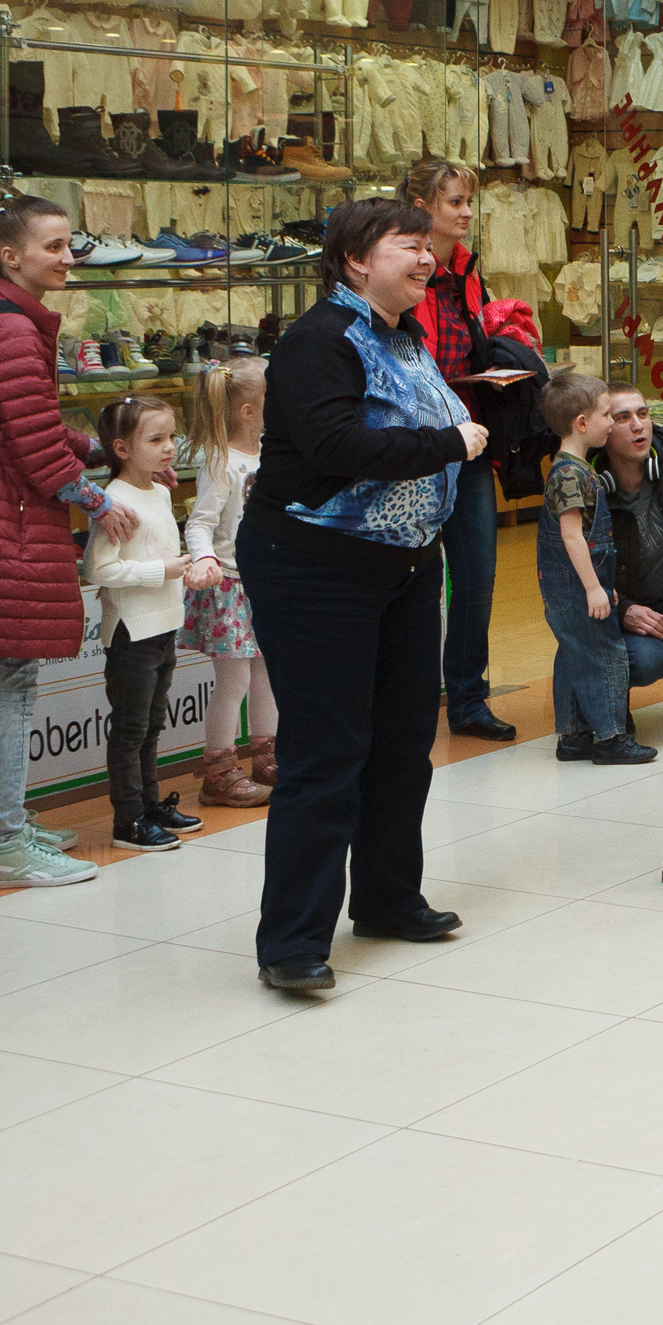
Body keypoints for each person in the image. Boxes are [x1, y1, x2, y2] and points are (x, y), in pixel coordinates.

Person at [250, 198, 490, 993]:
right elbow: (334, 444)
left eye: (429, 248)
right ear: (356, 260)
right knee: (327, 753)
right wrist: (447, 443)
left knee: (400, 746)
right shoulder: (320, 339)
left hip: (408, 565)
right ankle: (291, 941)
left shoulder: (405, 334)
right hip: (318, 566)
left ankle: (388, 900)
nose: (427, 260)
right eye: (409, 247)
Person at [0, 188, 111, 890]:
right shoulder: (13, 330)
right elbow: (40, 454)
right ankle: (9, 843)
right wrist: (102, 499)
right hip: (8, 524)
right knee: (13, 685)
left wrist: (97, 446)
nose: (66, 257)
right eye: (52, 246)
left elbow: (26, 422)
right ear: (10, 255)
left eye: (69, 243)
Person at [403, 157, 515, 742]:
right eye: (455, 202)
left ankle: (469, 700)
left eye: (469, 202)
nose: (467, 213)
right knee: (413, 581)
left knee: (476, 578)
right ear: (423, 209)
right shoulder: (401, 270)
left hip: (469, 440)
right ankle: (412, 701)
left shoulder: (469, 272)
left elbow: (465, 346)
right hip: (416, 448)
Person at [84, 393, 195, 852]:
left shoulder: (163, 491)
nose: (169, 447)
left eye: (171, 436)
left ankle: (149, 806)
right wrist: (161, 571)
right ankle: (127, 821)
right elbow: (98, 569)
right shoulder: (113, 499)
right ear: (122, 448)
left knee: (151, 725)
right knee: (130, 729)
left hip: (163, 623)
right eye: (156, 439)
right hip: (132, 629)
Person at [540, 369, 656, 767]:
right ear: (582, 423)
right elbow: (573, 536)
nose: (613, 423)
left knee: (575, 653)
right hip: (575, 583)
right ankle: (610, 738)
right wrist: (593, 587)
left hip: (579, 579)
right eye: (608, 415)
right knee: (602, 655)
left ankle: (572, 736)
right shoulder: (571, 473)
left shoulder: (575, 467)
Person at [180, 358, 277, 808]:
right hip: (230, 585)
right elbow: (200, 522)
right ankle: (218, 770)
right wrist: (203, 558)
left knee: (267, 674)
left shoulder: (271, 453)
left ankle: (267, 755)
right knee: (234, 681)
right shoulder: (221, 463)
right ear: (248, 412)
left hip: (264, 581)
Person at [597, 388, 663, 709]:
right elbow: (577, 576)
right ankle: (602, 700)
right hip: (627, 614)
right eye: (623, 418)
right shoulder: (589, 489)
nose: (639, 425)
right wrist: (624, 611)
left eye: (643, 414)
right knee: (646, 661)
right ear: (602, 430)